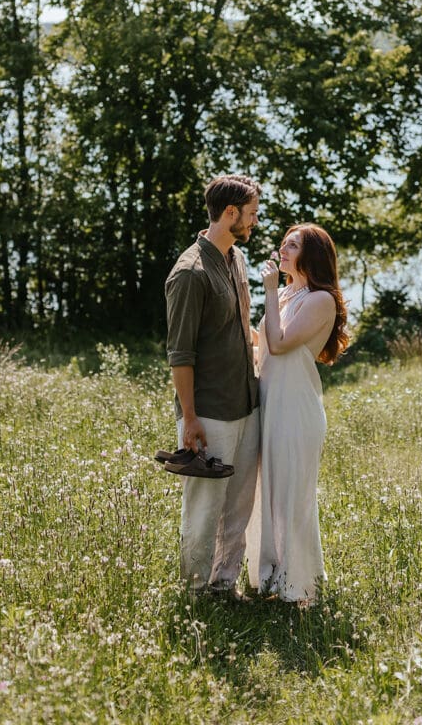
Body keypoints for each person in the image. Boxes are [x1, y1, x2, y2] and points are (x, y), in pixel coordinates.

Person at [165, 174, 261, 596]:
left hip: (246, 402)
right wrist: (189, 418)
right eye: (252, 215)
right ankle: (194, 591)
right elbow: (180, 354)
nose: (254, 223)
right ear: (230, 213)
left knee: (239, 504)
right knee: (204, 507)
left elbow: (241, 328)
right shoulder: (190, 273)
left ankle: (225, 584)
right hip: (209, 411)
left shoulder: (235, 258)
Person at [246, 223, 349, 606]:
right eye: (284, 243)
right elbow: (265, 347)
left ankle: (301, 586)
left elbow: (280, 341)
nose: (283, 249)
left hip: (296, 410)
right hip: (273, 404)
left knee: (292, 497)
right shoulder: (290, 293)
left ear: (312, 255)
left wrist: (268, 291)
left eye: (293, 245)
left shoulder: (321, 299)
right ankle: (273, 578)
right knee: (270, 493)